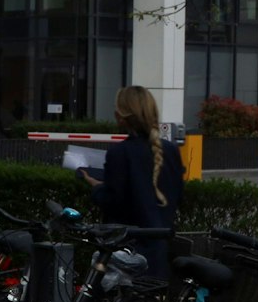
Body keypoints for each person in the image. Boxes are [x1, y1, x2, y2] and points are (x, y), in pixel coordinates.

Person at [79, 84, 185, 279]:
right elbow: (179, 196)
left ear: (121, 116)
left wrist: (97, 188)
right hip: (160, 251)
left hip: (126, 254)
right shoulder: (171, 151)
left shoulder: (119, 153)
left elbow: (114, 203)